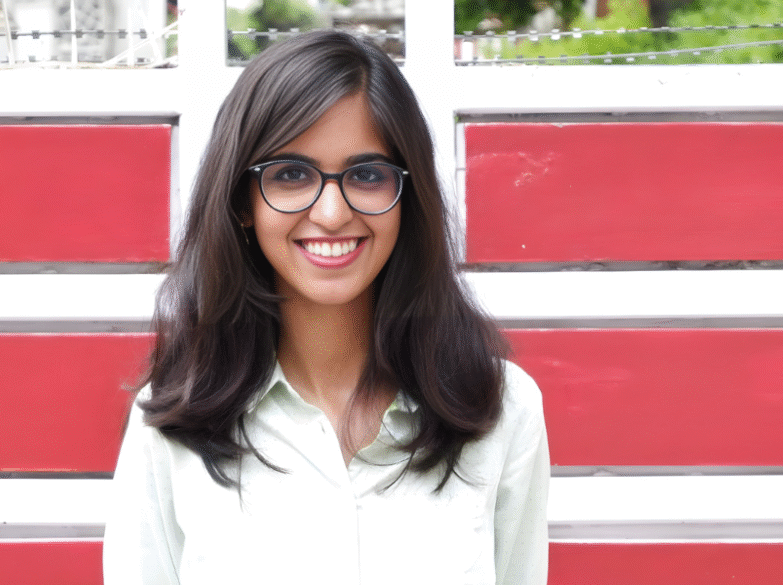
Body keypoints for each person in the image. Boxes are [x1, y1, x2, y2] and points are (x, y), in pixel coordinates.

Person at [104, 29, 549, 585]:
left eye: (367, 174)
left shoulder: (501, 411)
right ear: (242, 200)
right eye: (291, 174)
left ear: (407, 197)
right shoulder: (173, 425)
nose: (333, 213)